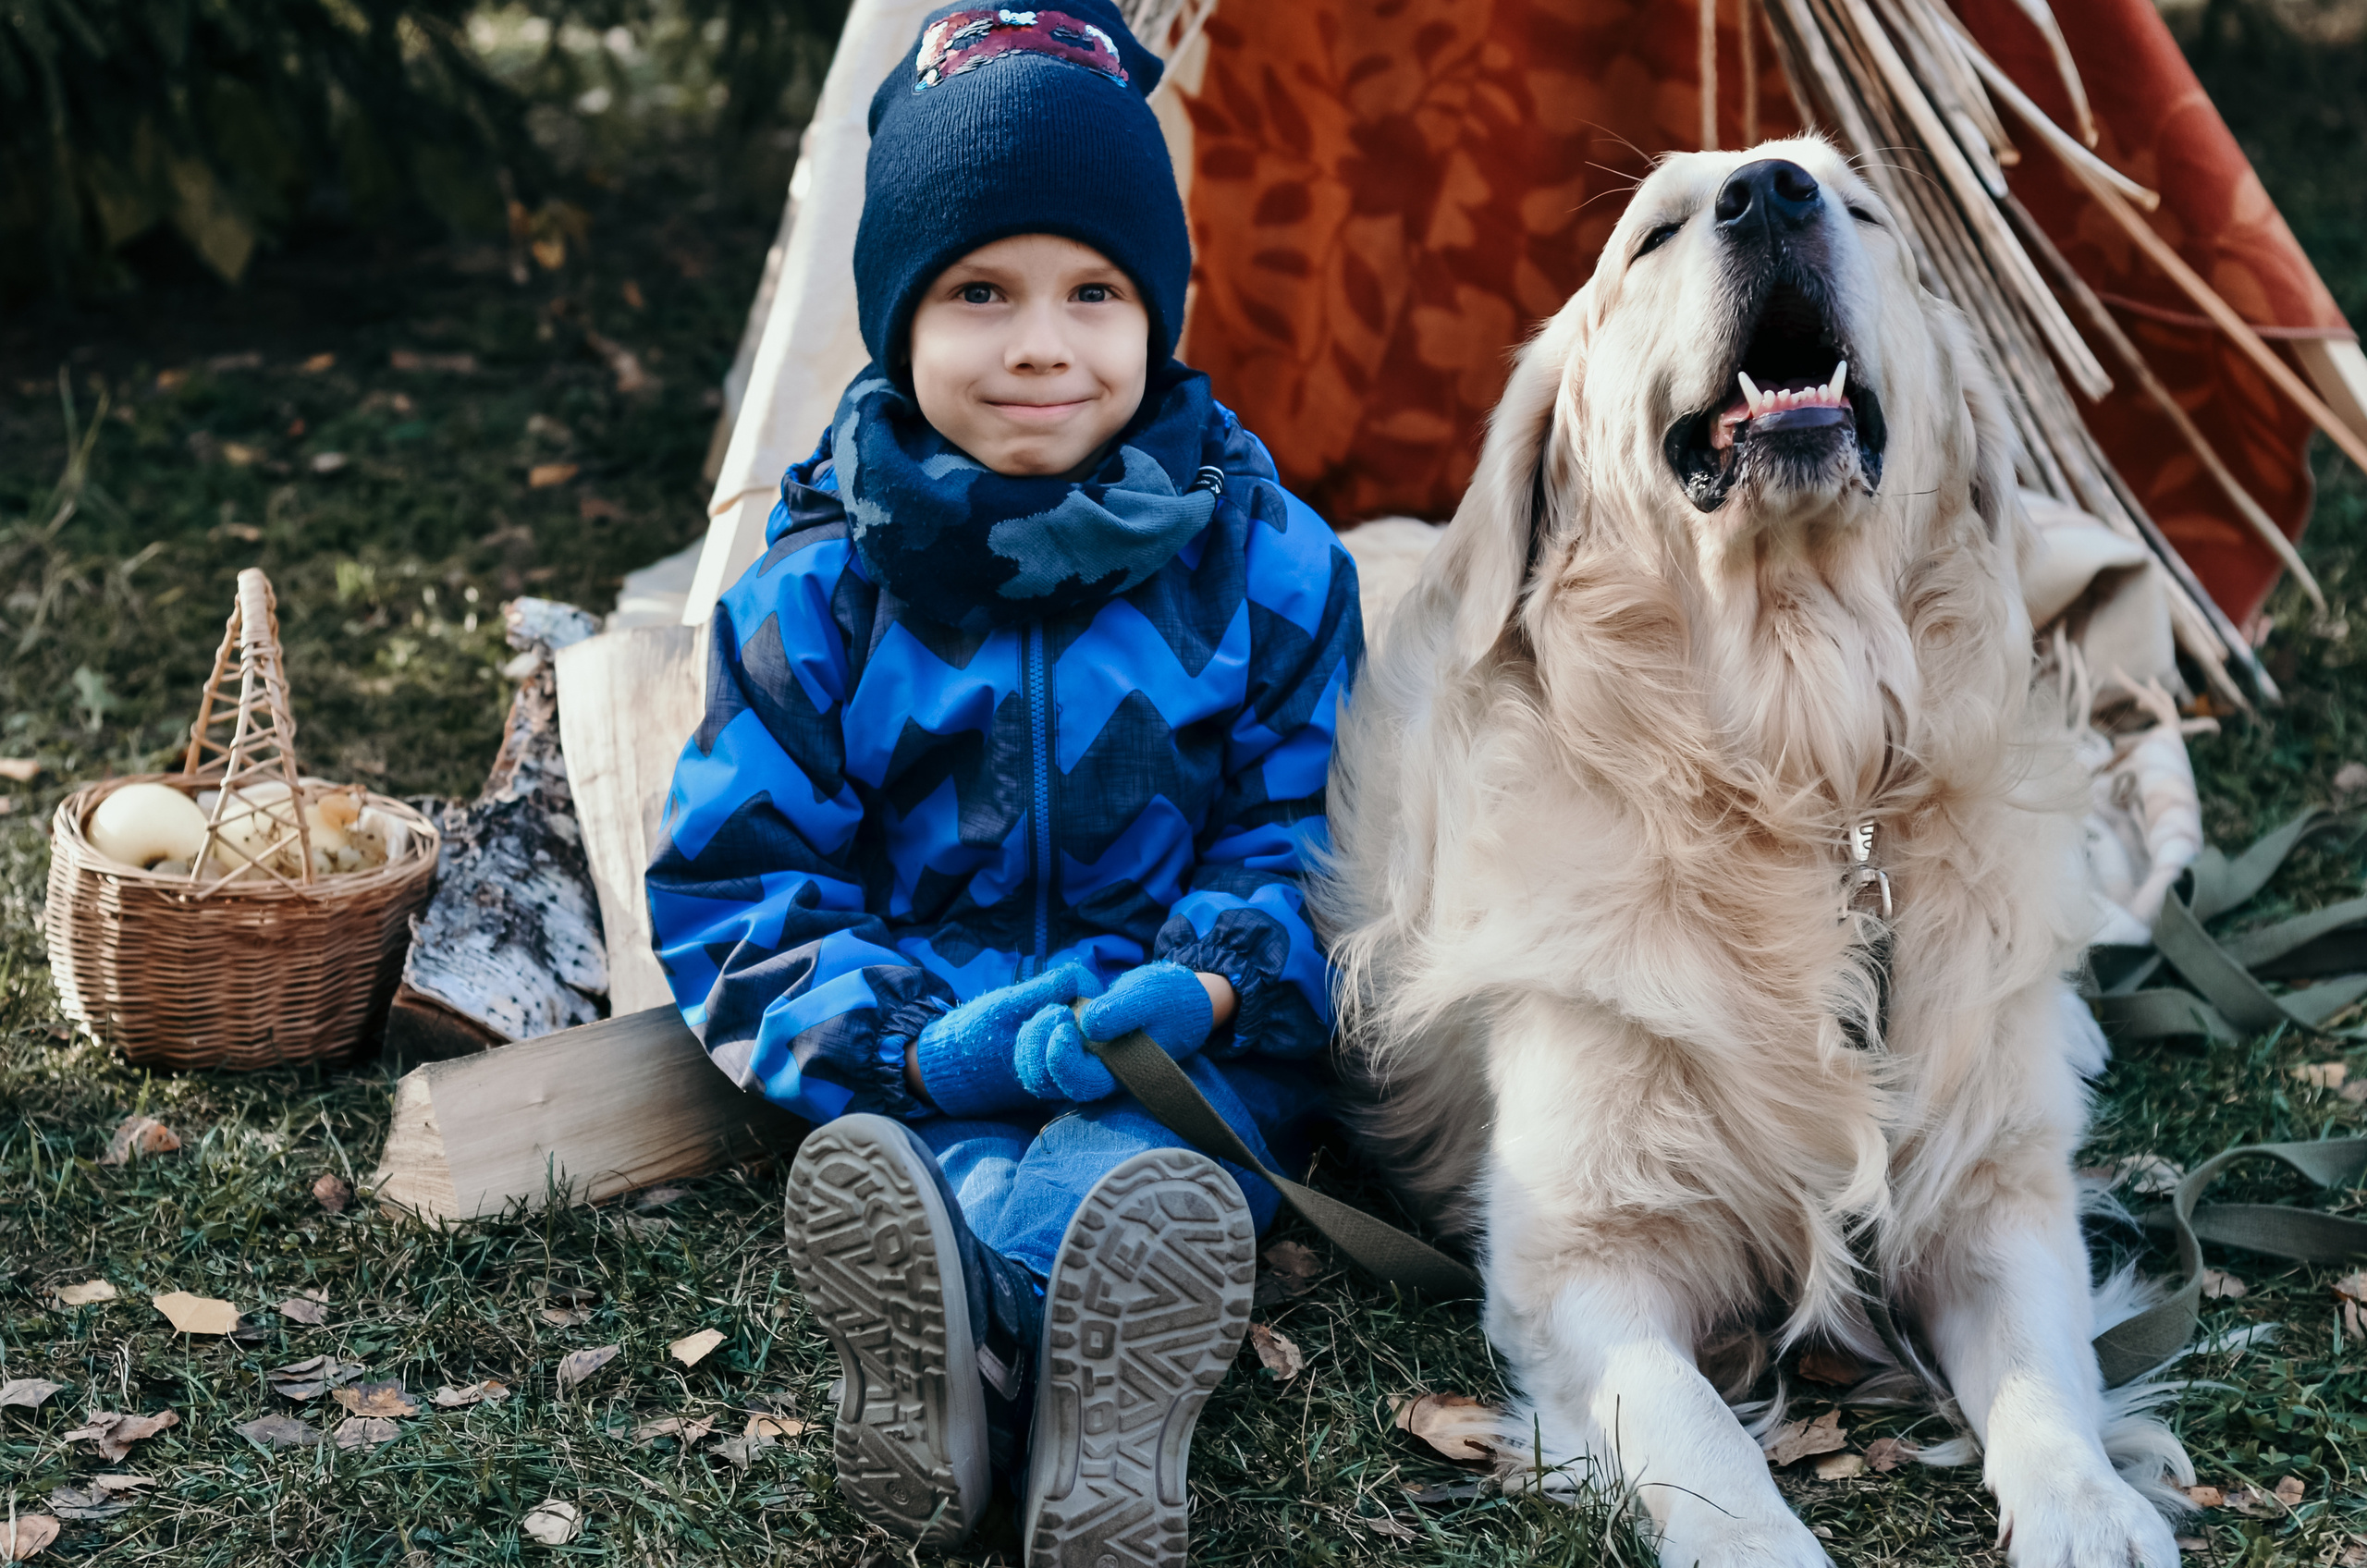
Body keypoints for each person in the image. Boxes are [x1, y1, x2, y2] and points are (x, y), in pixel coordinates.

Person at [644, 6, 1360, 1563]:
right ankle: (1002, 1379)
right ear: (894, 320)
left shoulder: (1269, 565)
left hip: (1172, 1052)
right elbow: (740, 892)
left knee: (1128, 1193)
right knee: (935, 1187)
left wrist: (1220, 985)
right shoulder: (815, 595)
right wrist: (914, 1041)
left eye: (1094, 293)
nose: (1042, 344)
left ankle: (1011, 1387)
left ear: (1158, 311)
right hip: (928, 1052)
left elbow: (1311, 833)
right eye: (980, 292)